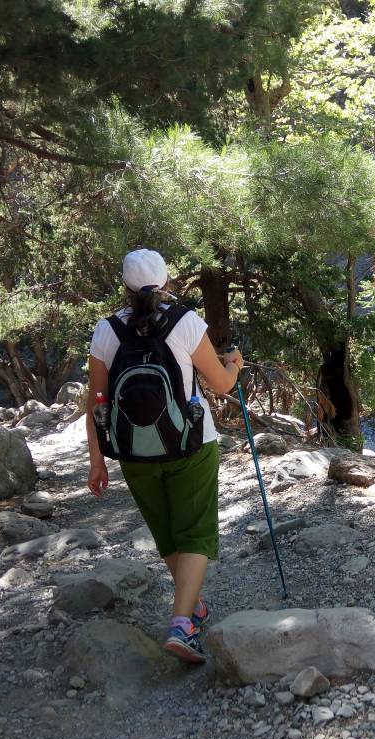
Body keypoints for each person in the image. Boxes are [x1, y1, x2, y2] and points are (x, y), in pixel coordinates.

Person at [85, 248, 243, 664]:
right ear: (167, 282)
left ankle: (191, 607)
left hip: (134, 451)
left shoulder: (106, 331)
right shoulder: (186, 322)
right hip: (191, 442)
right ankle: (181, 624)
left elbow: (97, 401)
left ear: (124, 286)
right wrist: (234, 365)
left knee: (168, 535)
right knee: (195, 532)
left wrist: (97, 459)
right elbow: (222, 385)